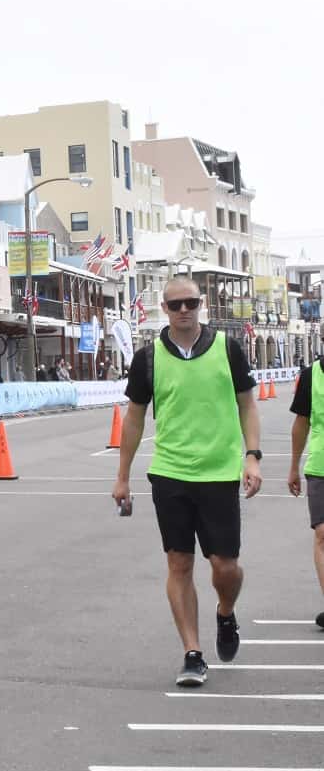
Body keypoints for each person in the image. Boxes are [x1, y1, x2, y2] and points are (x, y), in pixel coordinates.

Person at [112, 276, 261, 688]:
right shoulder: (147, 359)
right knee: (179, 563)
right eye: (175, 304)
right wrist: (122, 477)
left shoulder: (228, 350)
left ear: (201, 304)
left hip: (219, 473)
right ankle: (192, 653)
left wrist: (252, 457)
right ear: (164, 308)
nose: (184, 311)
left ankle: (225, 613)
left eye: (190, 303)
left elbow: (248, 405)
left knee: (225, 567)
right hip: (170, 472)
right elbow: (135, 418)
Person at [286, 357, 324, 631]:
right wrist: (293, 466)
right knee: (322, 534)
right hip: (320, 466)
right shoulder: (312, 375)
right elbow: (302, 422)